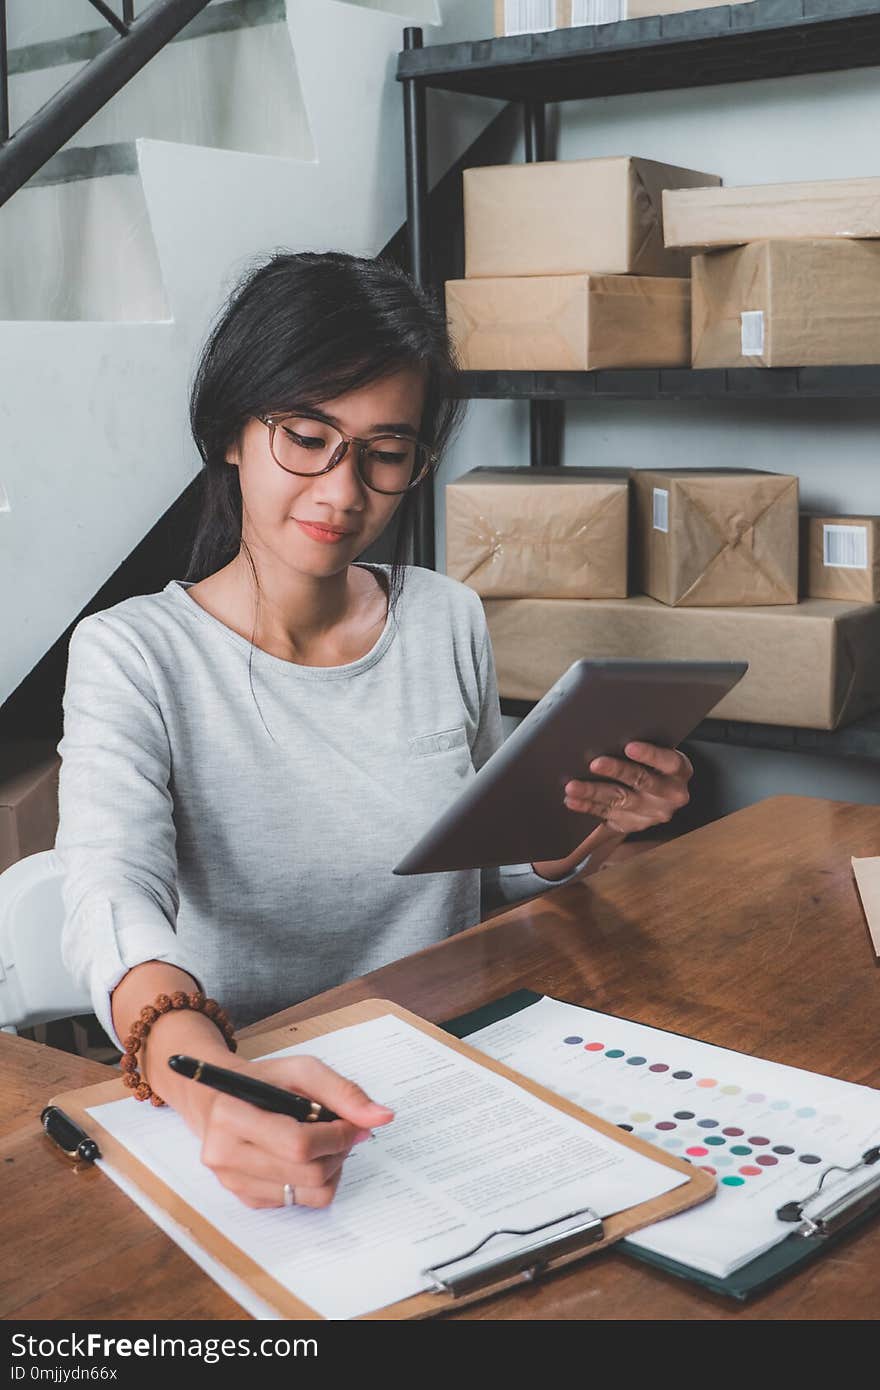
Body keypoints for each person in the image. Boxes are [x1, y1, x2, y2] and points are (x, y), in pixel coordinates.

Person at [56, 251, 692, 1212]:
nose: (342, 491)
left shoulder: (443, 617)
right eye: (307, 437)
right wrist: (199, 1073)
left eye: (384, 453)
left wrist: (591, 824)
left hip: (461, 1060)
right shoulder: (134, 653)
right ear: (232, 430)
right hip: (258, 1087)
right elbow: (113, 897)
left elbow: (487, 869)